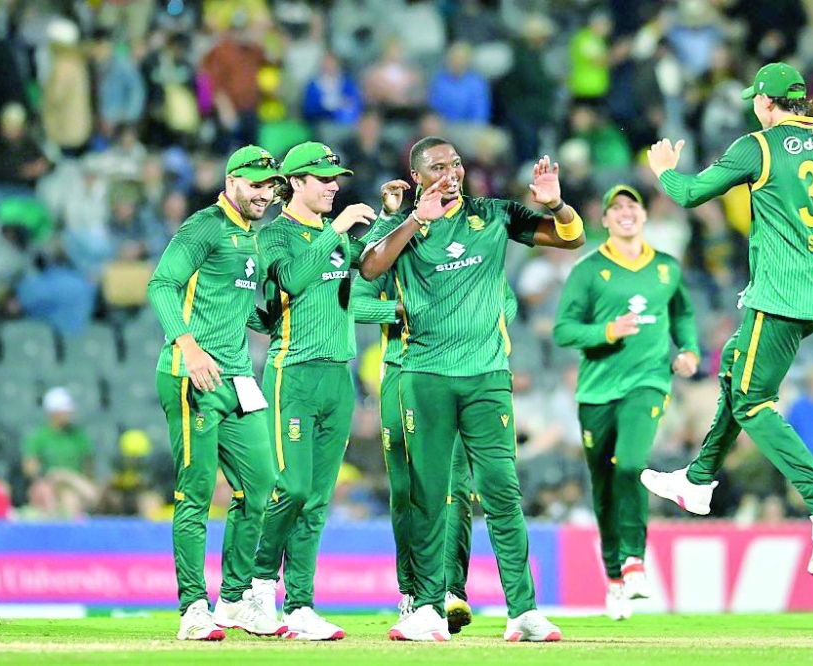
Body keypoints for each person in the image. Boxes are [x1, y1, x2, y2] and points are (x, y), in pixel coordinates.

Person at [639, 62, 813, 576]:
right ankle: (698, 481)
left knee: (751, 402)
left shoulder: (759, 146)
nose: (754, 106)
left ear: (768, 103)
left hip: (778, 295)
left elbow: (688, 194)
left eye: (757, 99)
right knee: (733, 369)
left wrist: (662, 169)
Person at [360, 138, 585, 641]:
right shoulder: (406, 227)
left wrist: (556, 203)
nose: (451, 173)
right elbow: (370, 269)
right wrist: (416, 218)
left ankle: (522, 612)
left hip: (487, 377)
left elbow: (569, 238)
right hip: (425, 377)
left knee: (503, 492)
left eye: (456, 163)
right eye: (438, 167)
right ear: (417, 176)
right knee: (429, 494)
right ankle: (425, 608)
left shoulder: (493, 213)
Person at [147, 145, 287, 641]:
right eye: (254, 185)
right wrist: (188, 345)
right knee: (196, 493)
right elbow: (162, 285)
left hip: (235, 378)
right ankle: (192, 609)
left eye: (270, 186)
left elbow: (233, 307)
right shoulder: (204, 226)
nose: (263, 194)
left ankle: (230, 601)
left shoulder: (252, 236)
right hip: (192, 376)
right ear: (231, 182)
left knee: (264, 482)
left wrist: (270, 318)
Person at [353, 232, 519, 634]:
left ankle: (449, 590)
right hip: (401, 371)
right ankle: (411, 591)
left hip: (461, 371)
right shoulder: (391, 248)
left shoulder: (469, 248)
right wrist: (406, 310)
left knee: (457, 487)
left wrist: (470, 322)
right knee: (408, 489)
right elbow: (354, 302)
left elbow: (506, 300)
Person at [245, 142, 377, 641]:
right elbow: (295, 282)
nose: (334, 186)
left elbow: (352, 300)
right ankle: (256, 587)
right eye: (322, 178)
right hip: (292, 374)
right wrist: (337, 232)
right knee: (292, 488)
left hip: (337, 378)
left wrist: (405, 315)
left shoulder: (335, 237)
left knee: (318, 499)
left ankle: (299, 605)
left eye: (335, 177)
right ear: (294, 184)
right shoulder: (275, 235)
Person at [553, 184, 700, 620]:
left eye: (631, 205)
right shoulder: (588, 269)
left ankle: (635, 563)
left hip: (649, 382)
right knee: (602, 484)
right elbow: (564, 330)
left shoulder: (667, 268)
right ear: (604, 220)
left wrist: (688, 350)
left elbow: (684, 313)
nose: (624, 213)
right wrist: (607, 332)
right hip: (596, 390)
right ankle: (615, 577)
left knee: (632, 464)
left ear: (644, 214)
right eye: (615, 207)